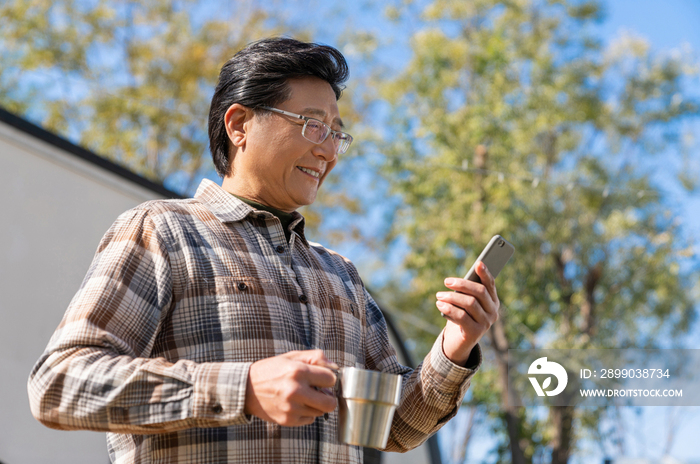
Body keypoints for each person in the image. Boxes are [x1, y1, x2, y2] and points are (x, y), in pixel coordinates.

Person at [28, 37, 500, 464]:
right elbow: (60, 384)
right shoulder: (163, 231)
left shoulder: (341, 276)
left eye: (337, 132)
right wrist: (243, 389)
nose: (330, 151)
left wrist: (455, 346)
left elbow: (392, 428)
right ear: (239, 125)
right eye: (312, 125)